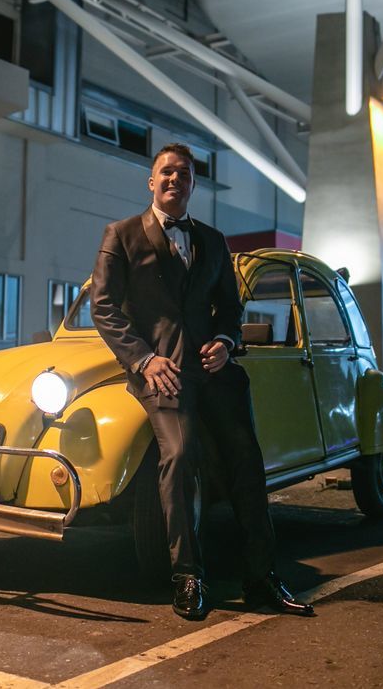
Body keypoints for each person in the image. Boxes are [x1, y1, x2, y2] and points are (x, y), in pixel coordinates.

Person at [90, 143, 313, 621]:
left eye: (185, 174)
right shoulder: (122, 235)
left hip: (213, 372)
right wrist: (144, 359)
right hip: (162, 372)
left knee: (247, 463)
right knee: (182, 455)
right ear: (151, 182)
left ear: (193, 185)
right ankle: (188, 576)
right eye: (166, 172)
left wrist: (226, 341)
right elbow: (103, 307)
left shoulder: (213, 239)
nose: (175, 179)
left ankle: (262, 578)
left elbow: (230, 308)